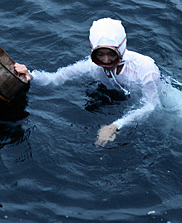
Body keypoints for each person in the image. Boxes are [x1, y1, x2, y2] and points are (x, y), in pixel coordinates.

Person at [14, 17, 161, 147]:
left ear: (121, 49)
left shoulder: (145, 68)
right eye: (100, 54)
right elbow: (56, 79)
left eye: (111, 54)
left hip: (164, 109)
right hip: (123, 101)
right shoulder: (92, 66)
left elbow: (150, 105)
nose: (105, 60)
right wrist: (30, 75)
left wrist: (116, 125)